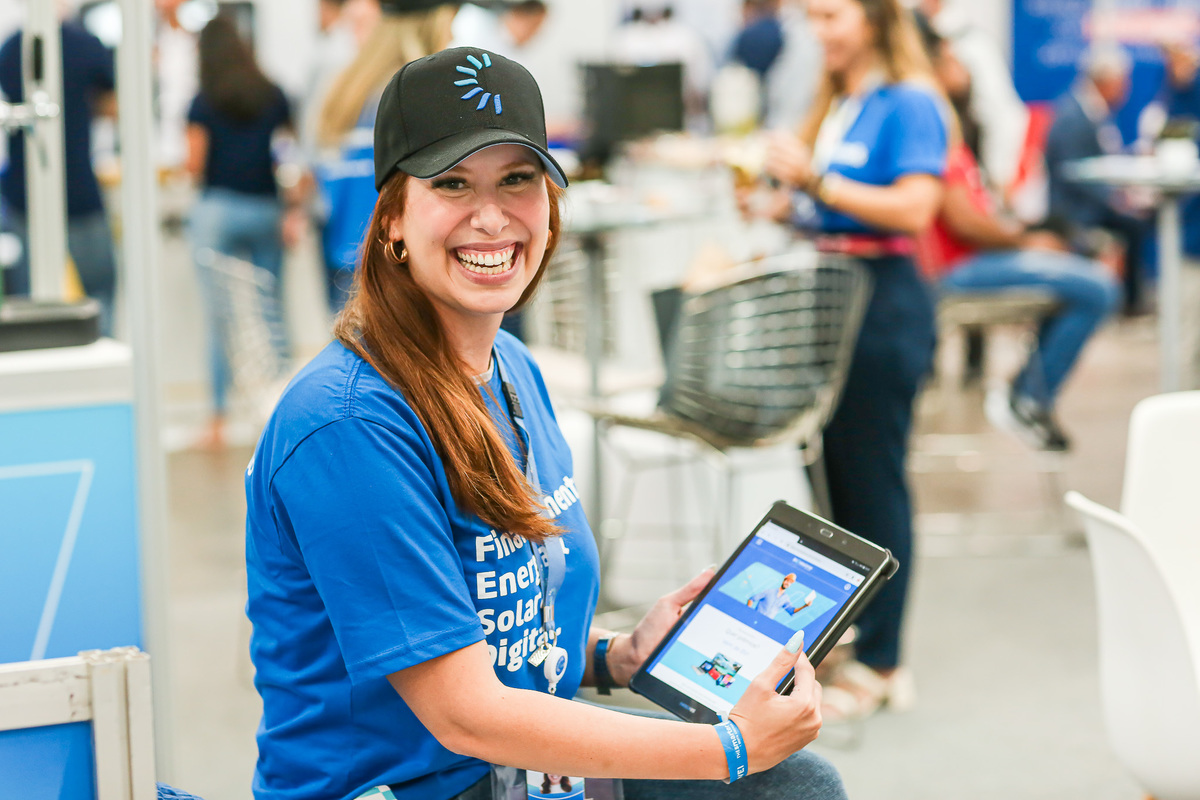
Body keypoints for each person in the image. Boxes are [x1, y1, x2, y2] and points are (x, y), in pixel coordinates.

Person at [244, 47, 844, 800]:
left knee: (794, 785)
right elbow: (465, 713)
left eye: (517, 180)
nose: (491, 216)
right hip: (418, 786)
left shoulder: (511, 369)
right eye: (453, 183)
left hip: (521, 780)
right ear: (392, 219)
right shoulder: (348, 424)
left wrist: (616, 656)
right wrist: (725, 747)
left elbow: (493, 618)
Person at [748, 0, 947, 721]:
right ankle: (853, 636)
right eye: (813, 16)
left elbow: (916, 208)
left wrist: (814, 184)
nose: (819, 29)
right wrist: (787, 205)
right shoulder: (840, 100)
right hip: (831, 295)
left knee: (873, 477)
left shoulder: (911, 103)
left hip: (883, 303)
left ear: (875, 18)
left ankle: (888, 660)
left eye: (833, 15)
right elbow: (831, 205)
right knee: (829, 477)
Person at [917, 21, 1118, 451]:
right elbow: (963, 220)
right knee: (1098, 287)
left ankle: (1029, 392)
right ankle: (1028, 396)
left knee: (1073, 260)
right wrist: (1025, 242)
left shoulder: (945, 117)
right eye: (952, 60)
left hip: (971, 256)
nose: (963, 69)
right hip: (958, 268)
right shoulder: (929, 117)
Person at [186, 15, 295, 448]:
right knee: (272, 311)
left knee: (221, 317)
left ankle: (216, 419)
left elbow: (194, 164)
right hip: (267, 208)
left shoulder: (202, 99)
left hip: (218, 210)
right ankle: (285, 413)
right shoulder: (275, 94)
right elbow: (288, 155)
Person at [313, 0, 456, 312]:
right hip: (398, 265)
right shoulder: (419, 94)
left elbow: (323, 180)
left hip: (343, 257)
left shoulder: (346, 88)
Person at [0, 18, 119, 336]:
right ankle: (103, 371)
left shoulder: (11, 48)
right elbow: (112, 107)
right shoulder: (86, 46)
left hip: (25, 193)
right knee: (99, 295)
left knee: (31, 304)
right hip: (72, 188)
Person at [1044, 45, 1151, 316]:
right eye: (1123, 81)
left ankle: (1132, 299)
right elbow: (1073, 173)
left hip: (1088, 202)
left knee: (1138, 219)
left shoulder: (1089, 109)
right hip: (1074, 210)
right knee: (1134, 224)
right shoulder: (1073, 115)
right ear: (1106, 81)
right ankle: (1131, 302)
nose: (1126, 89)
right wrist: (1114, 200)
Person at [747, 574, 815, 618]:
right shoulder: (769, 591)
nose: (787, 583)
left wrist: (805, 606)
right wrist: (748, 612)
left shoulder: (785, 599)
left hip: (766, 623)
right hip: (755, 617)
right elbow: (751, 599)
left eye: (790, 582)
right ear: (784, 580)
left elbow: (791, 610)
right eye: (787, 581)